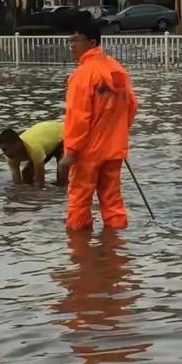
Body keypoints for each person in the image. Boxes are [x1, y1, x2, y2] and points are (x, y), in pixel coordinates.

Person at [59, 22, 138, 231]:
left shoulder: (83, 74)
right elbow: (131, 106)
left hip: (87, 153)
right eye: (70, 40)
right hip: (114, 150)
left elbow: (78, 116)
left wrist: (72, 151)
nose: (71, 44)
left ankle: (79, 253)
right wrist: (118, 134)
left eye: (76, 40)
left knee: (79, 202)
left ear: (92, 42)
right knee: (113, 202)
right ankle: (115, 248)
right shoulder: (116, 68)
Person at [0, 121, 65, 187]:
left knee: (62, 174)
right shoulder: (10, 158)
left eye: (7, 149)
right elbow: (17, 183)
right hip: (48, 143)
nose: (6, 153)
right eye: (3, 149)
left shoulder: (33, 147)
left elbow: (40, 181)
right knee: (26, 173)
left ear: (17, 144)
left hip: (64, 135)